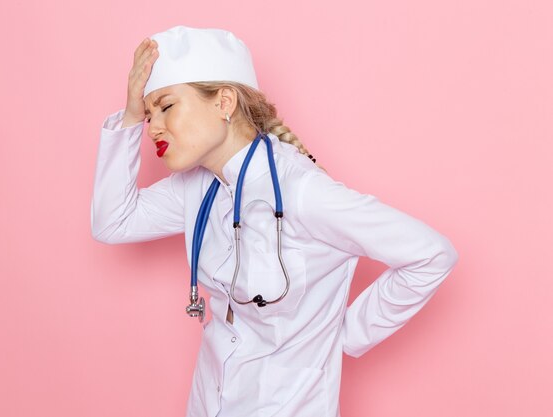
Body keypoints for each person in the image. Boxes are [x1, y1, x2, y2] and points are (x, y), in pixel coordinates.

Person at [90, 25, 458, 417]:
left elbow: (431, 254)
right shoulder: (199, 186)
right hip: (208, 403)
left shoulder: (302, 193)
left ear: (223, 102)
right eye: (149, 116)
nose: (155, 127)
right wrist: (129, 118)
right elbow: (113, 221)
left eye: (165, 107)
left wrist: (345, 336)